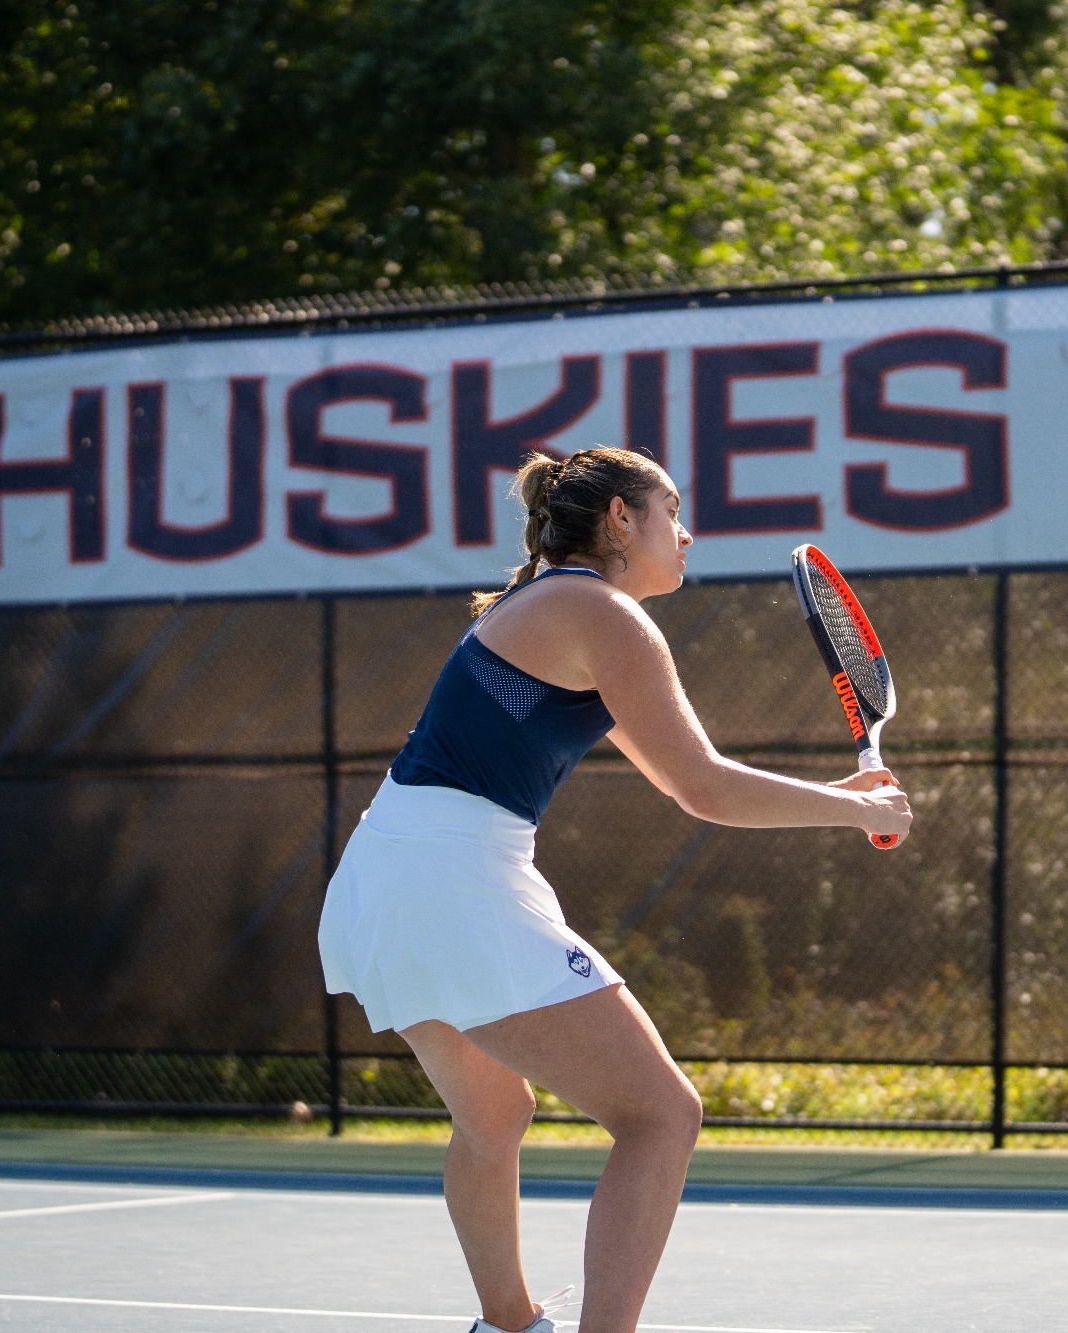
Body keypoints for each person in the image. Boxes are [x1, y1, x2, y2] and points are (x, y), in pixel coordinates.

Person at [318, 447, 912, 1333]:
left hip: (381, 874)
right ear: (621, 519)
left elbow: (681, 776)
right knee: (662, 1115)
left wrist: (840, 798)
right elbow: (703, 788)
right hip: (451, 878)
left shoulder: (545, 605)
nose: (688, 533)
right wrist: (853, 810)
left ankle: (508, 1326)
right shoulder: (603, 613)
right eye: (673, 509)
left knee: (493, 1114)